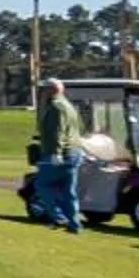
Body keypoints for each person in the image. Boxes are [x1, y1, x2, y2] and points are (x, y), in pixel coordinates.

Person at [32, 75, 85, 233]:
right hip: (75, 151)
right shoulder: (68, 105)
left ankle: (59, 217)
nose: (42, 93)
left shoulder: (56, 106)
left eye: (44, 89)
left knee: (42, 184)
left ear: (51, 90)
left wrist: (57, 153)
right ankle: (75, 225)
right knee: (68, 191)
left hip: (61, 152)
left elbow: (58, 131)